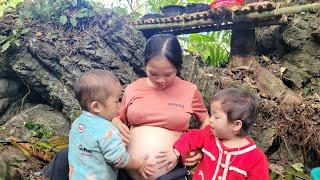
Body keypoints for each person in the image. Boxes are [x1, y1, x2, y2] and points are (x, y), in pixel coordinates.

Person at [112, 34, 209, 180]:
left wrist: (202, 148)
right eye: (153, 73)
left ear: (178, 68)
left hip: (172, 174)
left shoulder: (190, 90)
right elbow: (115, 117)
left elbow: (207, 121)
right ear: (145, 65)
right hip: (124, 172)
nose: (160, 80)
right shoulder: (133, 89)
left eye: (168, 74)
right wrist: (114, 122)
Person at [156, 88, 270, 180]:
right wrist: (176, 153)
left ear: (236, 125)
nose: (210, 120)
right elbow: (191, 137)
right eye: (211, 114)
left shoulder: (256, 159)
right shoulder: (209, 135)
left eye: (216, 116)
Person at [68, 69, 155, 179]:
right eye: (116, 101)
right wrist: (138, 164)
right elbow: (119, 160)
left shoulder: (77, 123)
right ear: (96, 107)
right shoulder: (107, 130)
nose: (119, 105)